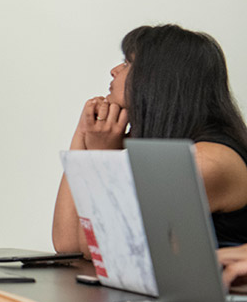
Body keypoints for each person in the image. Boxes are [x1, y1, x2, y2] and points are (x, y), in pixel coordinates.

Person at [53, 24, 247, 253]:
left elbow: (101, 249)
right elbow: (67, 244)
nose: (114, 70)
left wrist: (100, 157)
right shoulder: (173, 154)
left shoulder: (206, 161)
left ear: (159, 79)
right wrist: (84, 132)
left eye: (127, 63)